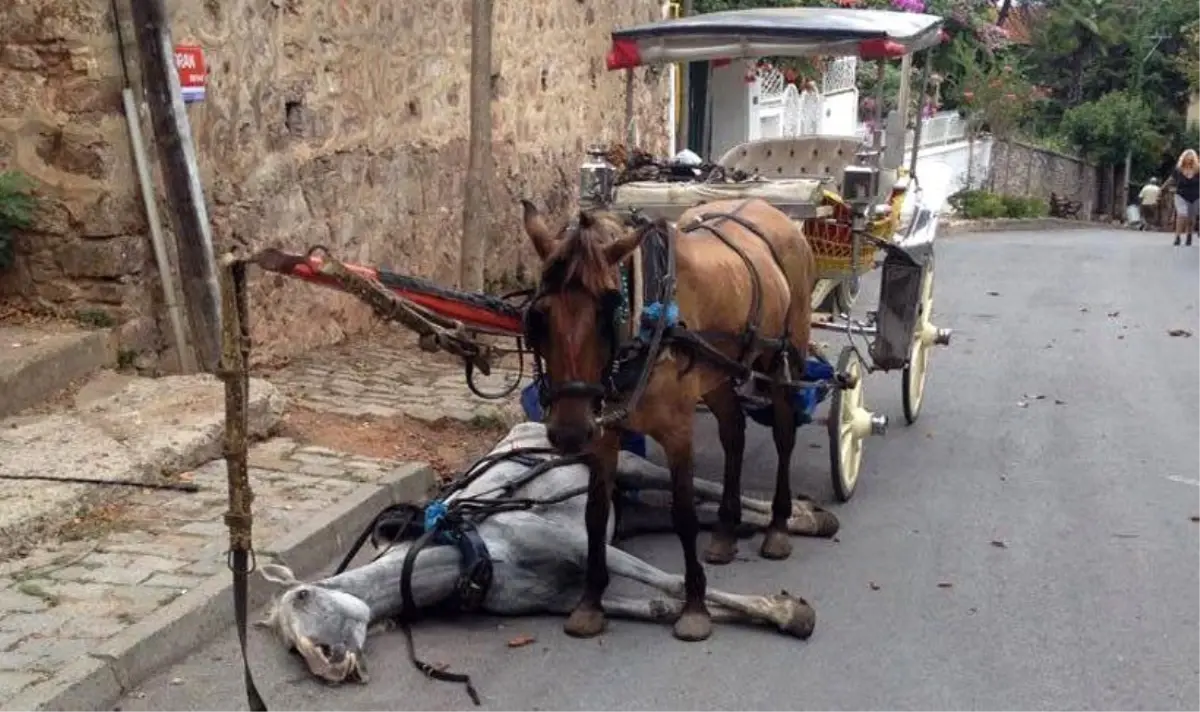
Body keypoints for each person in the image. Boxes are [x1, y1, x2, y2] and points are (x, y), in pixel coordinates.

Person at [1163, 149, 1200, 246]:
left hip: (1195, 196)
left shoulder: (1198, 170)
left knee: (1191, 218)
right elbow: (1171, 179)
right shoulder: (1178, 169)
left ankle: (1189, 235)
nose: (1189, 158)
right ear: (1183, 158)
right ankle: (1177, 237)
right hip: (1181, 195)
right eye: (1187, 156)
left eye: (1191, 157)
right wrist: (1162, 188)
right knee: (1182, 214)